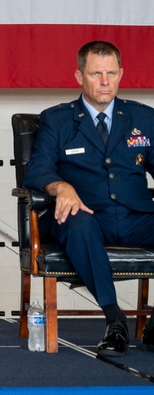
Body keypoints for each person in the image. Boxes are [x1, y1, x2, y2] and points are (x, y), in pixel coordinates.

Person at [24, 40, 154, 356]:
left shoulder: (143, 118)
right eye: (96, 73)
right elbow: (38, 168)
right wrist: (61, 187)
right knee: (74, 219)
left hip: (137, 216)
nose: (105, 81)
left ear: (122, 74)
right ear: (79, 76)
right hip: (87, 216)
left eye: (111, 73)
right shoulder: (57, 119)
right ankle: (115, 321)